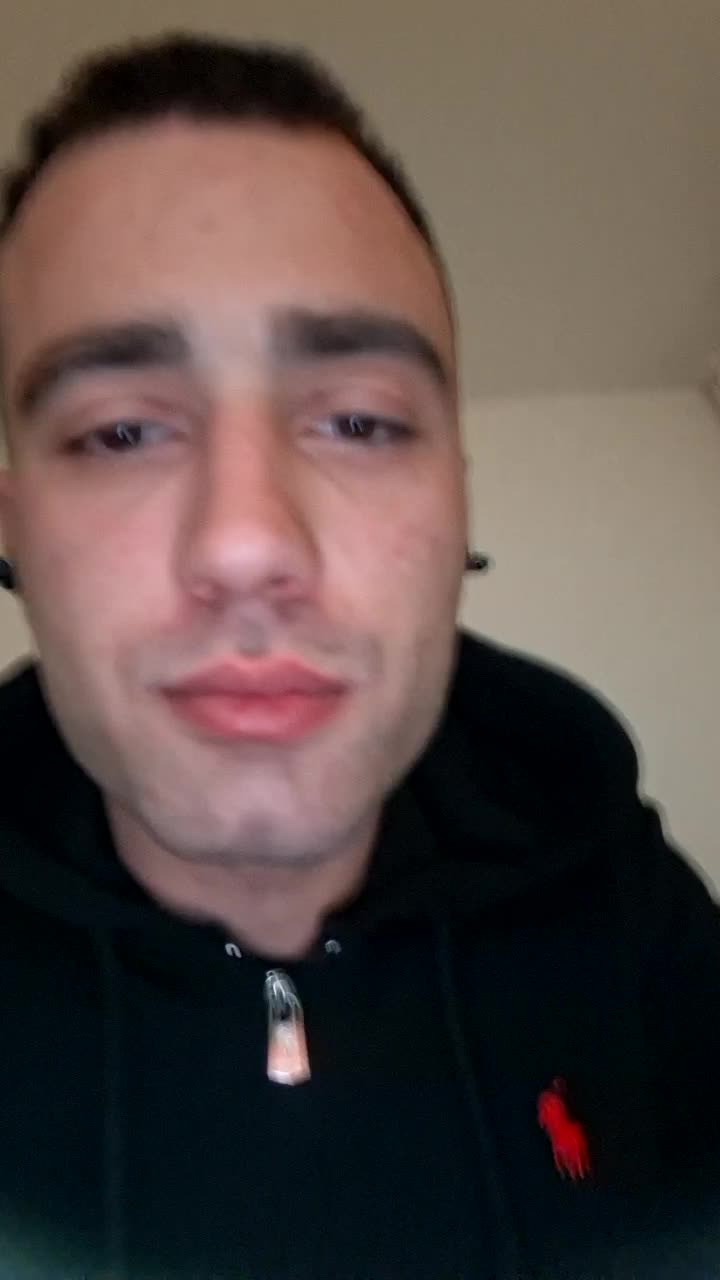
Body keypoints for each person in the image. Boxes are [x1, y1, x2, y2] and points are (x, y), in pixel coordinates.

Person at [0, 31, 717, 1280]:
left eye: (360, 420)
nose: (246, 543)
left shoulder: (634, 917)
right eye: (118, 432)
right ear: (14, 531)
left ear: (458, 509)